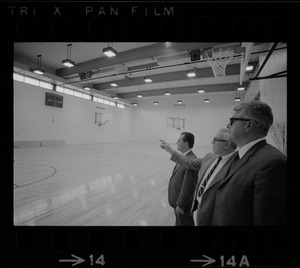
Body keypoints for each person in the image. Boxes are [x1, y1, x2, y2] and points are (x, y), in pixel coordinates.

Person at [212, 100, 286, 226]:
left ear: (249, 125)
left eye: (232, 121)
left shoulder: (272, 163)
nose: (228, 126)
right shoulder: (238, 156)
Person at [160, 128, 237, 226]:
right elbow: (188, 162)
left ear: (227, 144)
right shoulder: (209, 157)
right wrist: (169, 150)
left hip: (215, 214)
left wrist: (182, 204)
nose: (212, 142)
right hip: (200, 208)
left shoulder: (237, 165)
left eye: (215, 139)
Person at [167, 132, 198, 226]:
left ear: (186, 144)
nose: (176, 143)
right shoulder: (184, 157)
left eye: (179, 141)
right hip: (177, 202)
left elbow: (189, 186)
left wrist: (181, 205)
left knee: (185, 224)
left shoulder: (191, 160)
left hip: (183, 205)